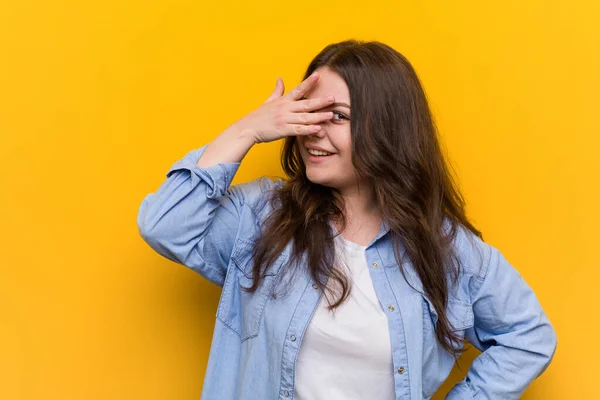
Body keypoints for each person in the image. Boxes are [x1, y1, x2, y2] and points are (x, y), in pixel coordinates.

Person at [137, 40, 557, 400]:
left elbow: (529, 338)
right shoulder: (263, 216)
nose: (313, 131)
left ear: (387, 129)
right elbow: (165, 224)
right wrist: (246, 130)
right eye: (307, 112)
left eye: (336, 116)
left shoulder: (444, 248)